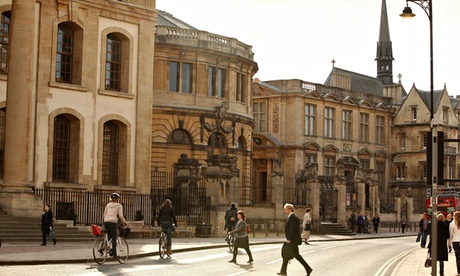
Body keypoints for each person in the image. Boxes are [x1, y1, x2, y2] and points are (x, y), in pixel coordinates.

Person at [278, 203, 313, 276]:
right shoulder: (291, 217)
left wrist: (289, 239)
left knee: (292, 255)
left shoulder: (293, 218)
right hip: (293, 240)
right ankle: (283, 271)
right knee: (289, 255)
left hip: (292, 241)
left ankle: (308, 268)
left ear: (289, 209)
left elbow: (292, 229)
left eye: (286, 209)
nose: (285, 211)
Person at [104, 193, 128, 258]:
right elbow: (120, 216)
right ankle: (114, 254)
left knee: (109, 236)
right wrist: (124, 222)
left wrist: (105, 220)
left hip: (106, 221)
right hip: (113, 222)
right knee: (114, 237)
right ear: (117, 199)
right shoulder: (119, 206)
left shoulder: (108, 205)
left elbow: (104, 214)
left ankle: (105, 247)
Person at [449, 211, 460, 275]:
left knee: (458, 257)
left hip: (455, 241)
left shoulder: (452, 224)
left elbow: (451, 234)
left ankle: (459, 272)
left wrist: (449, 242)